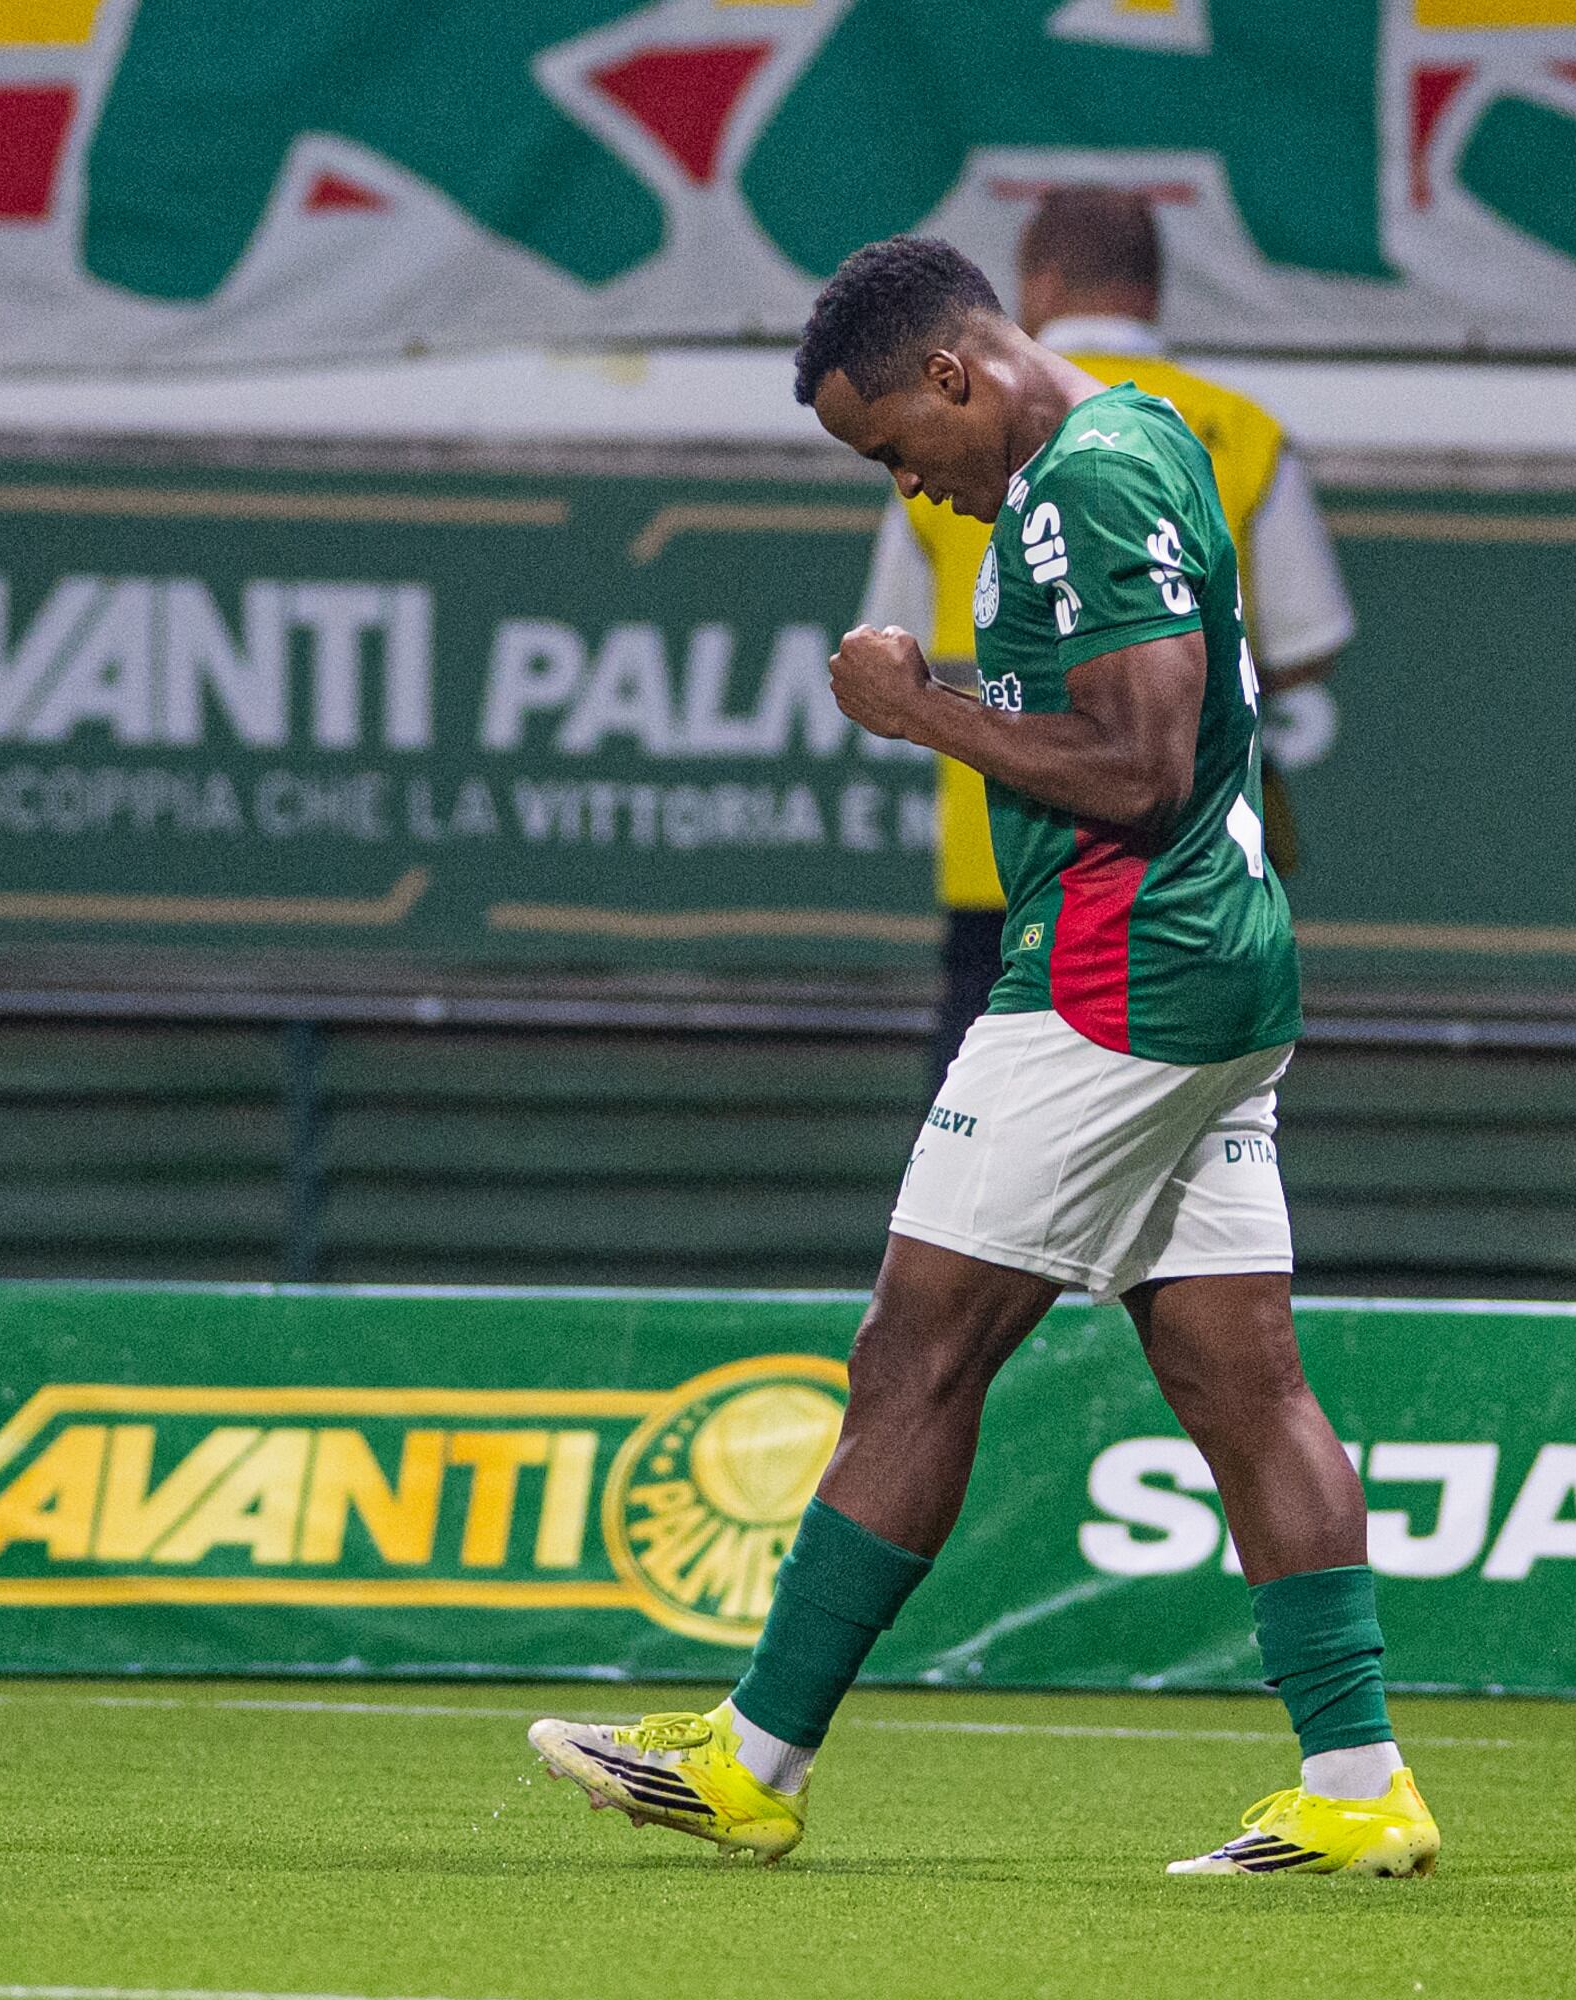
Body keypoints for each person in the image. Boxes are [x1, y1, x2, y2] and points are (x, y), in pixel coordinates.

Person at [530, 237, 1437, 1880]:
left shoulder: (1085, 477)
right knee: (1242, 1382)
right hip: (1209, 965)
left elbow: (1143, 762)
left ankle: (752, 1759)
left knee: (915, 1357)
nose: (910, 491)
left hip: (1115, 972)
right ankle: (1359, 1779)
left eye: (895, 449)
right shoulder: (1124, 447)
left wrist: (919, 706)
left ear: (957, 373)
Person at [854, 185, 1356, 1087]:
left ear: (1035, 283)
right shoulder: (1233, 430)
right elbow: (1308, 638)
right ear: (1155, 288)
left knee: (975, 1205)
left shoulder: (957, 425)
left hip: (1005, 857)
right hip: (1196, 877)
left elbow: (894, 645)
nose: (912, 478)